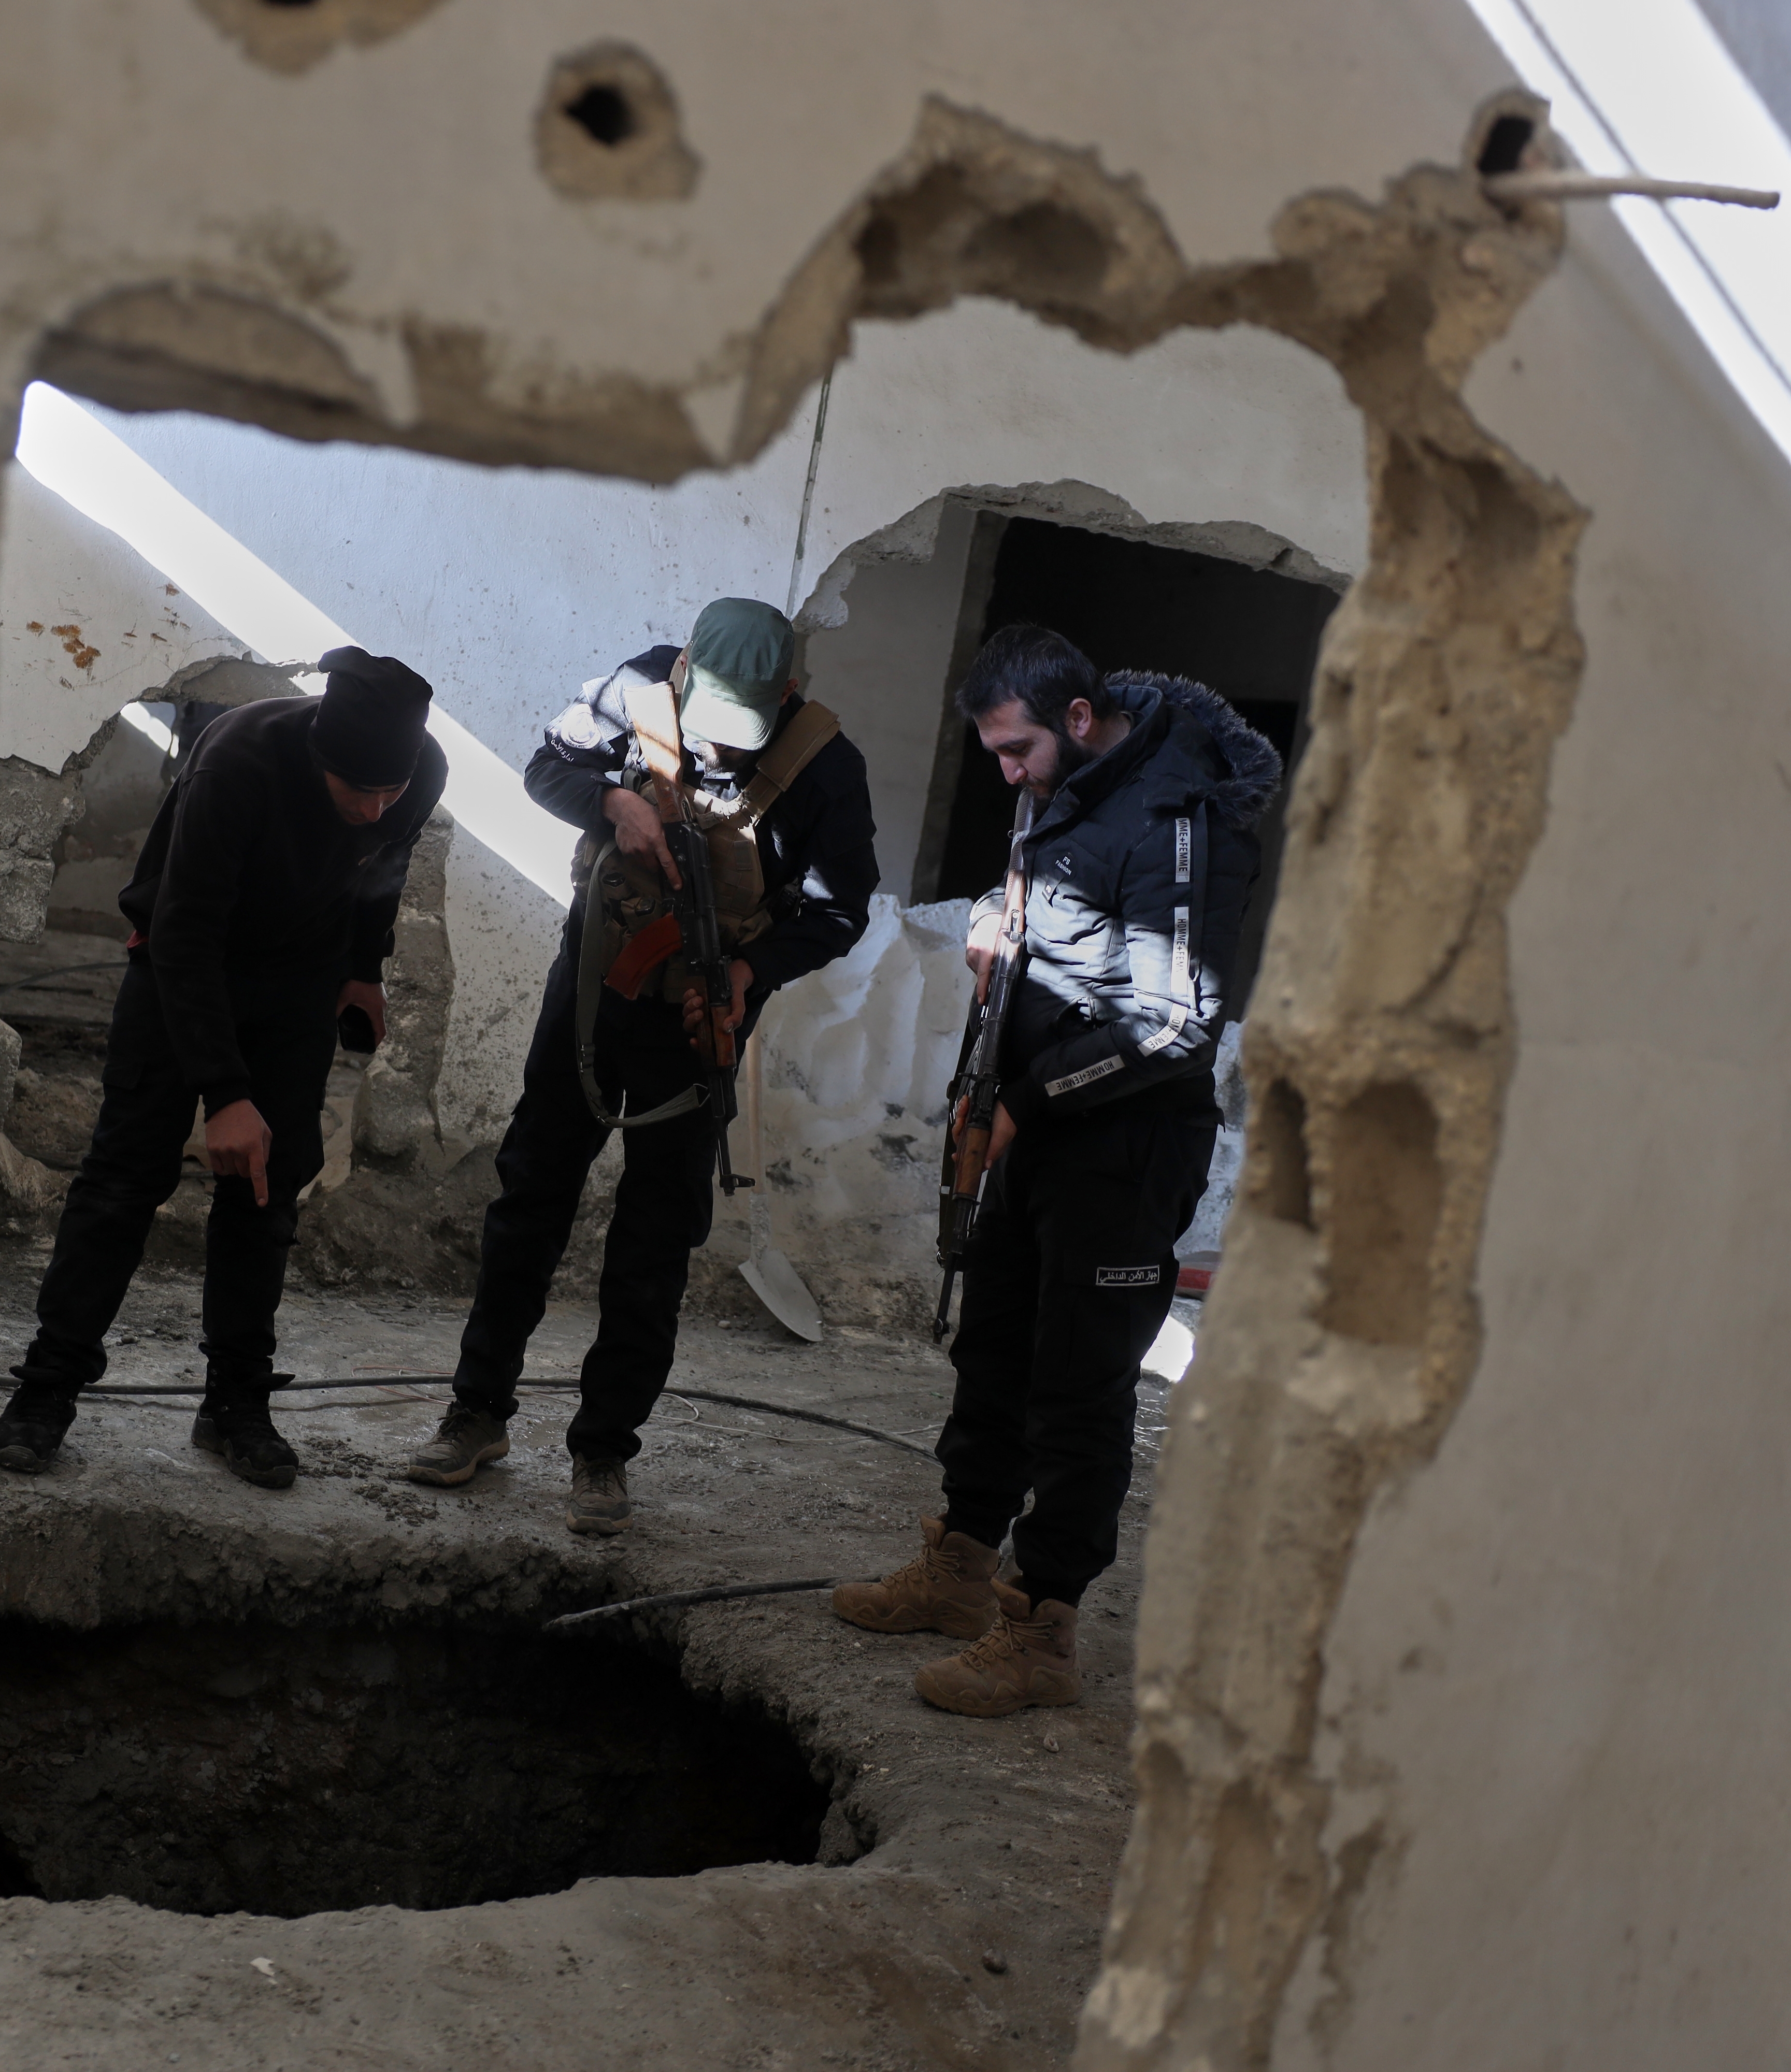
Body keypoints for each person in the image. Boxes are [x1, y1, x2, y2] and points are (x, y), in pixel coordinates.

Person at [832, 622, 1280, 1717]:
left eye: (1017, 750)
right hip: (1039, 1125)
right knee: (993, 1349)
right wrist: (998, 921)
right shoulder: (1067, 786)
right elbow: (1058, 910)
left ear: (1079, 719)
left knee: (1078, 1387)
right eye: (995, 753)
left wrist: (1025, 1105)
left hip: (1123, 1147)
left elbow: (1175, 1022)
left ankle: (1042, 1629)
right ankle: (959, 1570)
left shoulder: (1179, 817)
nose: (1007, 775)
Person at [404, 598, 877, 1532]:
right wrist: (611, 800)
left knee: (655, 1241)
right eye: (709, 724)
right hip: (590, 991)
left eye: (743, 733)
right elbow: (546, 767)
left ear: (787, 692)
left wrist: (748, 971)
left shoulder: (826, 766)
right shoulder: (633, 689)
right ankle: (477, 1412)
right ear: (686, 669)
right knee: (530, 1198)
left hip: (698, 1021)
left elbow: (838, 910)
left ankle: (603, 1451)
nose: (721, 748)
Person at [0, 649, 449, 1486]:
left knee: (267, 1193)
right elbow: (185, 930)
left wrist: (362, 968)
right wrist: (227, 1095)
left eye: (393, 790)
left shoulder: (418, 773)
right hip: (181, 963)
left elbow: (383, 871)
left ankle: (237, 1401)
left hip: (299, 982)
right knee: (124, 1179)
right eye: (359, 789)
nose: (377, 808)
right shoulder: (238, 761)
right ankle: (47, 1387)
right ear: (319, 754)